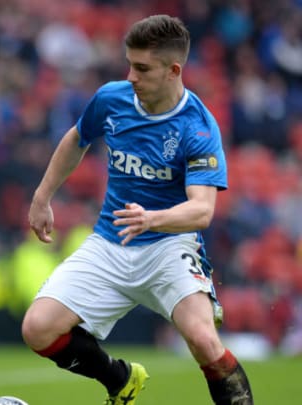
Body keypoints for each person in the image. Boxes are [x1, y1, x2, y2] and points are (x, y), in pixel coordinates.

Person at [23, 15, 253, 405]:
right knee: (37, 329)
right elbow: (77, 138)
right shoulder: (112, 99)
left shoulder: (197, 128)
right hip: (111, 242)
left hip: (169, 247)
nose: (131, 76)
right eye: (129, 64)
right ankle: (119, 379)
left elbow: (201, 212)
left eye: (142, 68)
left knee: (202, 339)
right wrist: (42, 196)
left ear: (173, 70)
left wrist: (153, 219)